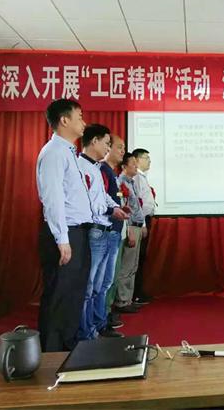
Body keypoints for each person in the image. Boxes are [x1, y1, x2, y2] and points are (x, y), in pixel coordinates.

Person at [36, 99, 92, 352]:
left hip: (76, 232)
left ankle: (67, 346)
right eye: (79, 117)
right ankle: (52, 352)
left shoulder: (68, 152)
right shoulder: (54, 153)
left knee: (73, 293)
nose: (84, 123)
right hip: (64, 233)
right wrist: (62, 239)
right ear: (64, 120)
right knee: (59, 294)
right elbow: (53, 198)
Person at [77, 124, 129, 340]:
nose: (108, 148)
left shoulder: (95, 167)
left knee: (101, 285)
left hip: (106, 229)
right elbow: (89, 201)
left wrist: (115, 207)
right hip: (96, 231)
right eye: (107, 144)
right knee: (89, 287)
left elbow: (103, 196)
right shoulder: (80, 166)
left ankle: (98, 325)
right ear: (94, 141)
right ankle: (86, 332)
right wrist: (111, 210)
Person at [101, 134, 127, 329]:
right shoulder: (102, 170)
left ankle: (106, 312)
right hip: (107, 230)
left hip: (116, 230)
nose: (122, 151)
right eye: (119, 147)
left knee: (111, 277)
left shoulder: (112, 172)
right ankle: (102, 316)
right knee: (104, 279)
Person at [115, 153, 146, 313]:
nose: (136, 166)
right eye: (133, 163)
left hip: (137, 225)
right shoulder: (121, 183)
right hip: (130, 226)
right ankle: (122, 301)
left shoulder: (132, 182)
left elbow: (137, 206)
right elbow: (123, 208)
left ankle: (128, 298)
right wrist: (129, 230)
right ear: (124, 166)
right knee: (126, 265)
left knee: (133, 265)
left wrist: (143, 224)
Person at [131, 148, 156, 305]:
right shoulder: (137, 178)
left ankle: (136, 293)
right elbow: (137, 204)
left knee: (140, 259)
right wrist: (143, 224)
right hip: (140, 221)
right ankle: (134, 295)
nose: (149, 161)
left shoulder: (142, 177)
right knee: (136, 259)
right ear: (137, 160)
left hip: (145, 220)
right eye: (146, 158)